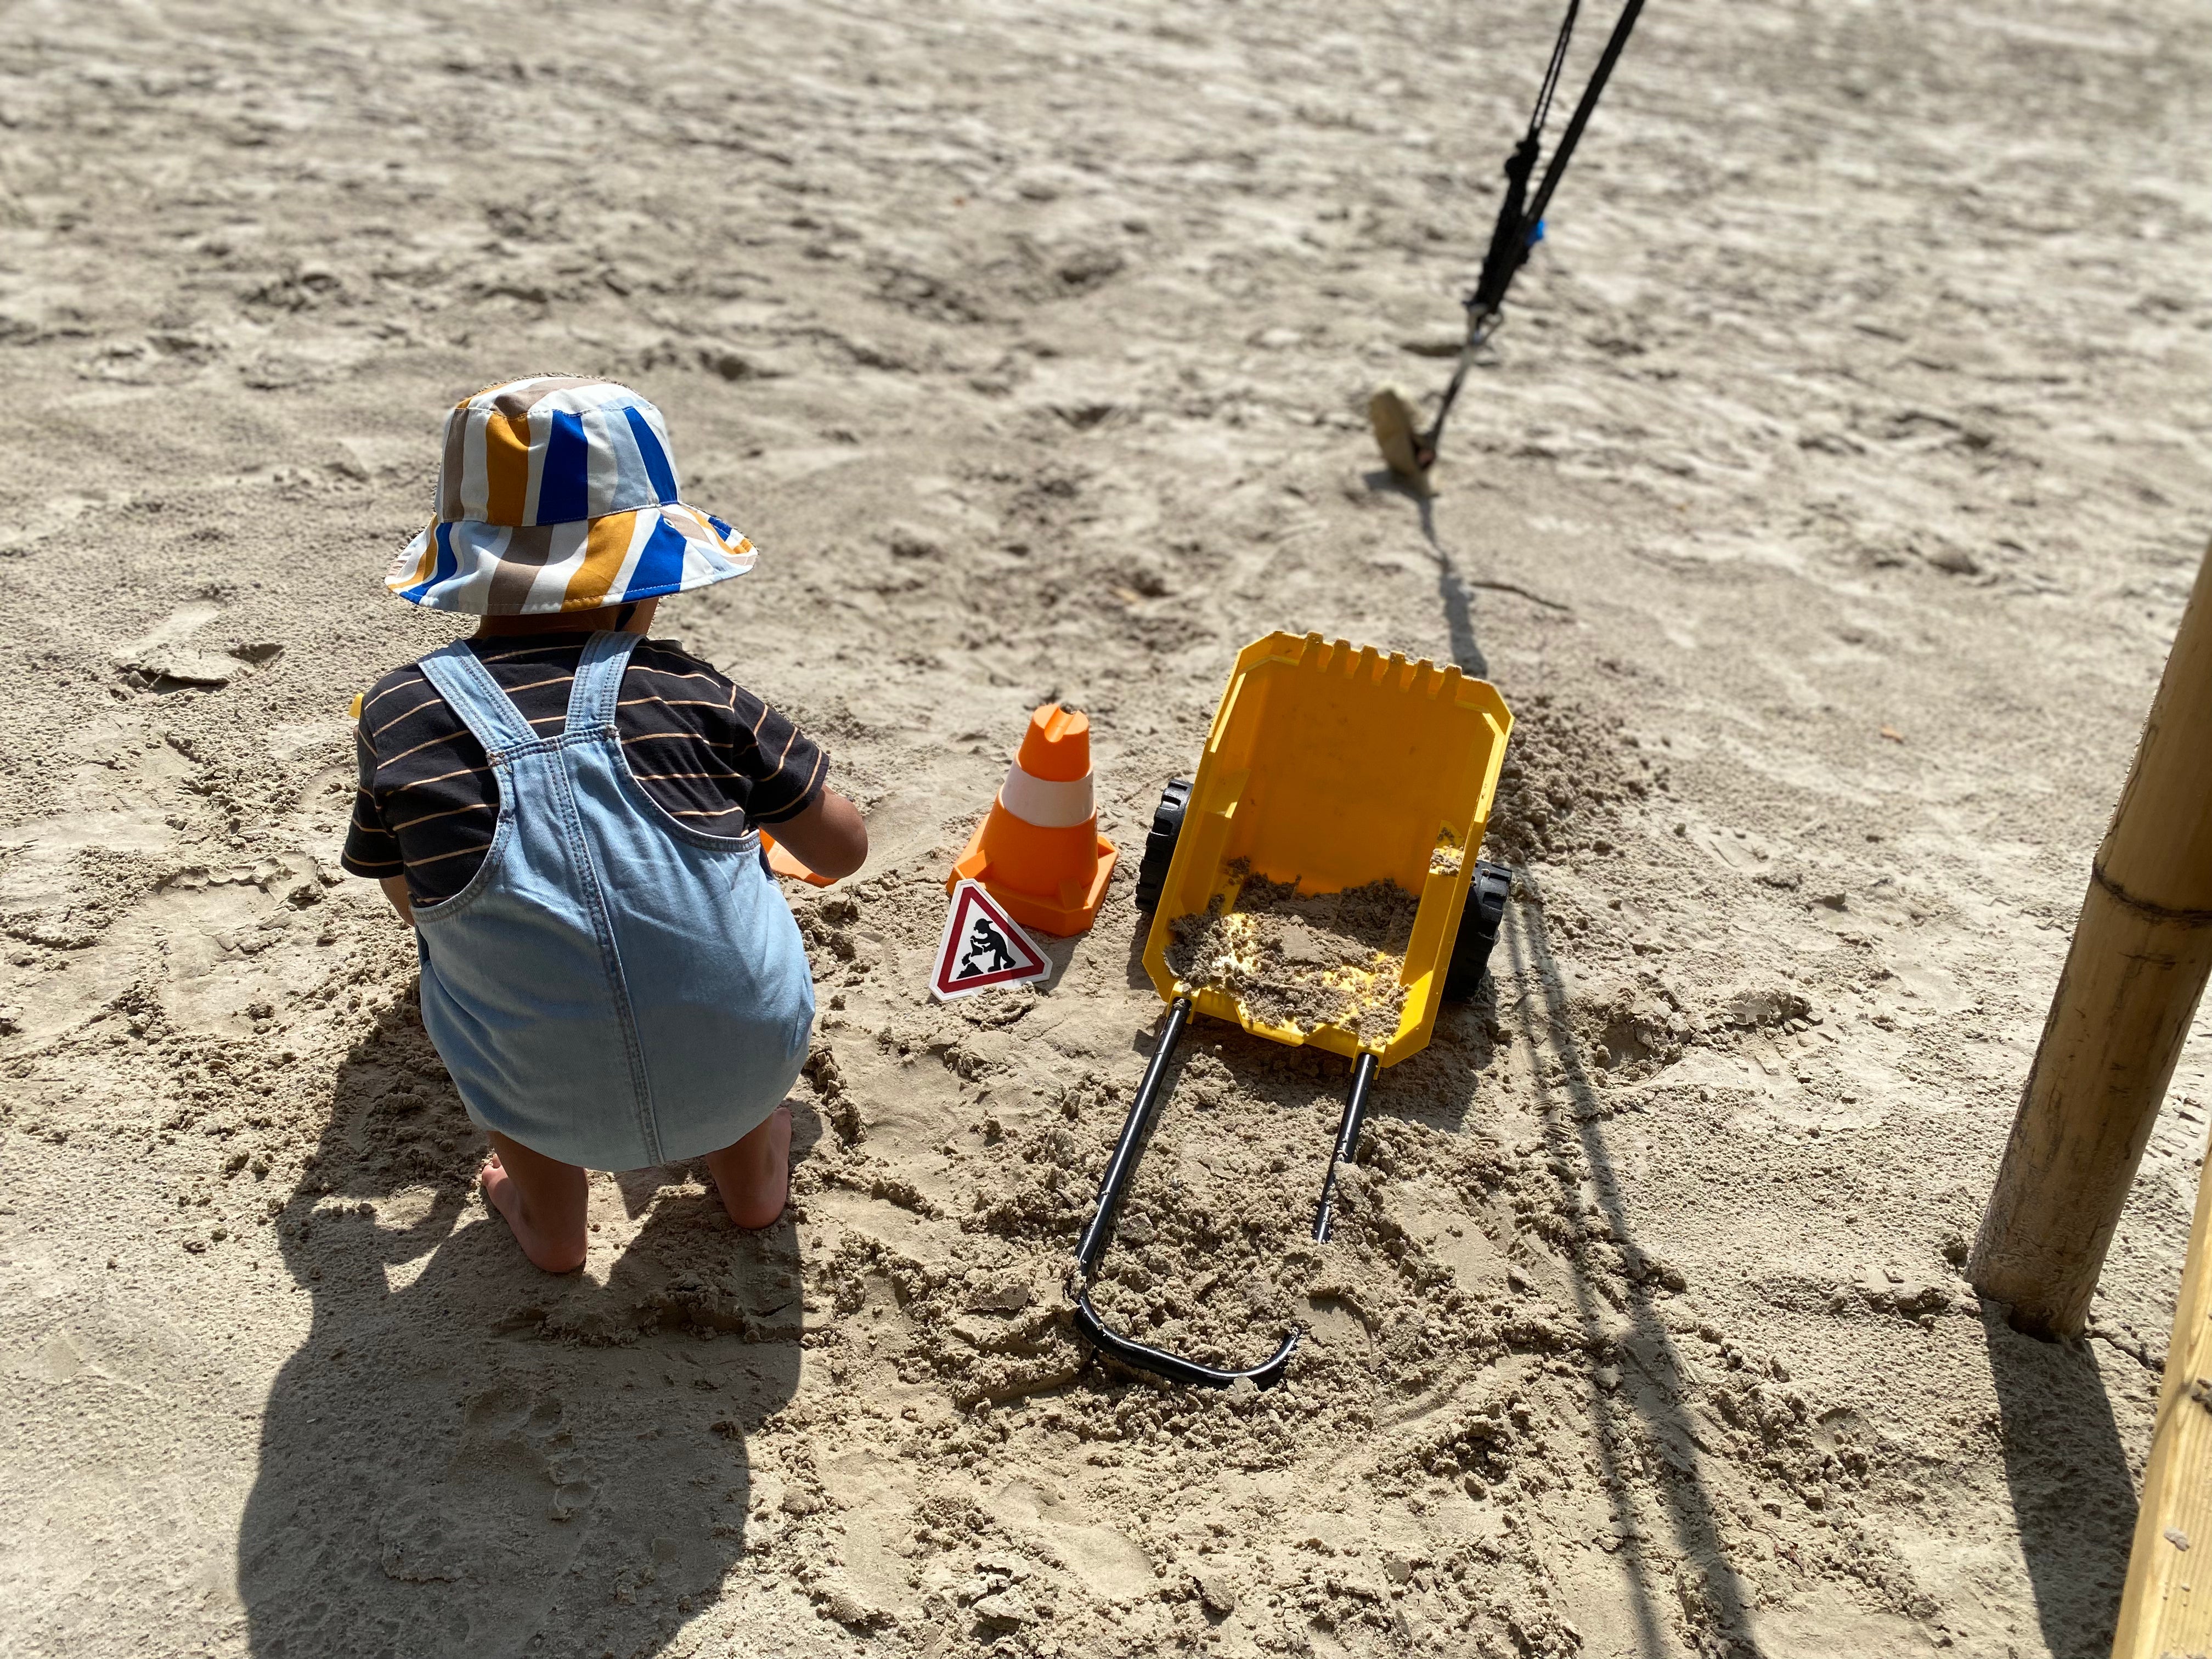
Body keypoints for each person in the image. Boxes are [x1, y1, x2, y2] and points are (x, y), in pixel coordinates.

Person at [342, 376, 866, 1271]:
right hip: (745, 1064)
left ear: (475, 573)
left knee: (475, 978)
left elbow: (409, 896)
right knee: (727, 973)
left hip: (542, 1096)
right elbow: (842, 848)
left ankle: (552, 1226)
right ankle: (752, 1181)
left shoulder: (400, 713)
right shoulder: (691, 689)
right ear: (643, 580)